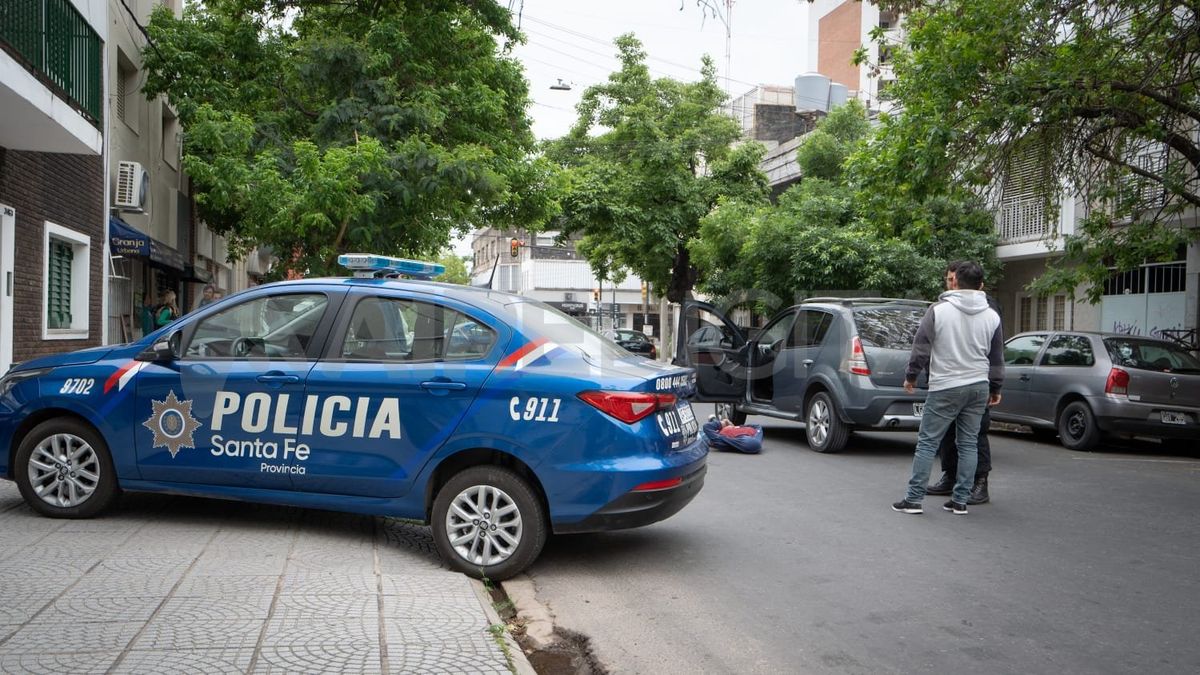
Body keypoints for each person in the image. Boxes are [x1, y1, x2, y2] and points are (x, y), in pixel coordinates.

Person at [893, 261, 1004, 515]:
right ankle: (960, 500)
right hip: (978, 386)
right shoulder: (992, 316)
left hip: (946, 385)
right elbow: (996, 357)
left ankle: (913, 499)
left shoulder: (938, 311)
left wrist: (911, 377)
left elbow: (921, 348)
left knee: (927, 443)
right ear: (981, 286)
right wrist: (996, 387)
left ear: (955, 282)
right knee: (968, 443)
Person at [926, 262, 1003, 505]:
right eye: (948, 280)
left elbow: (995, 351)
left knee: (975, 434)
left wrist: (995, 385)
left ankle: (980, 483)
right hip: (947, 380)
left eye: (954, 280)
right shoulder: (946, 305)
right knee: (948, 433)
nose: (951, 284)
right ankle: (950, 475)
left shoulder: (986, 307)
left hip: (976, 382)